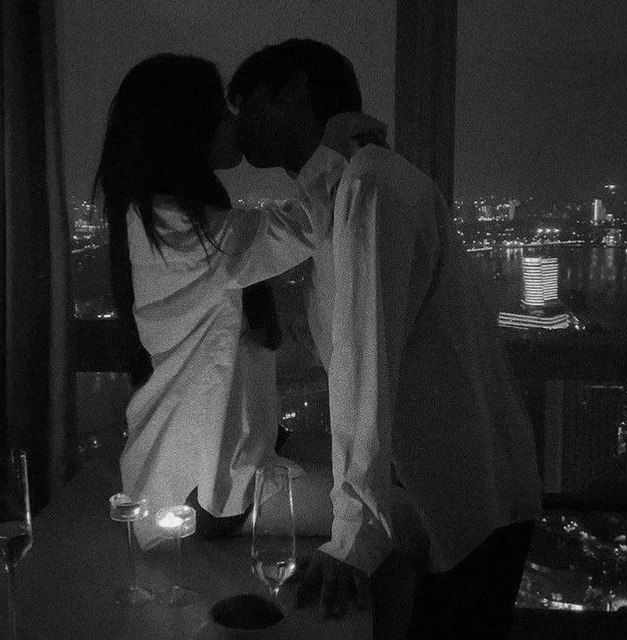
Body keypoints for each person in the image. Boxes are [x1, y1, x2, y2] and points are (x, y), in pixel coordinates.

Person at [228, 38, 542, 637]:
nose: (239, 125)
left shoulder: (369, 188)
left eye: (247, 104)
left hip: (462, 503)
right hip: (458, 496)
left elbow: (364, 367)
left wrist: (353, 540)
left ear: (294, 92)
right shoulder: (350, 188)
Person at [92, 53, 382, 550]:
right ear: (188, 126)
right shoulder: (174, 227)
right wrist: (335, 147)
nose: (234, 121)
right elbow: (299, 227)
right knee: (388, 515)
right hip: (205, 487)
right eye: (220, 111)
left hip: (214, 464)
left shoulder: (169, 218)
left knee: (374, 480)